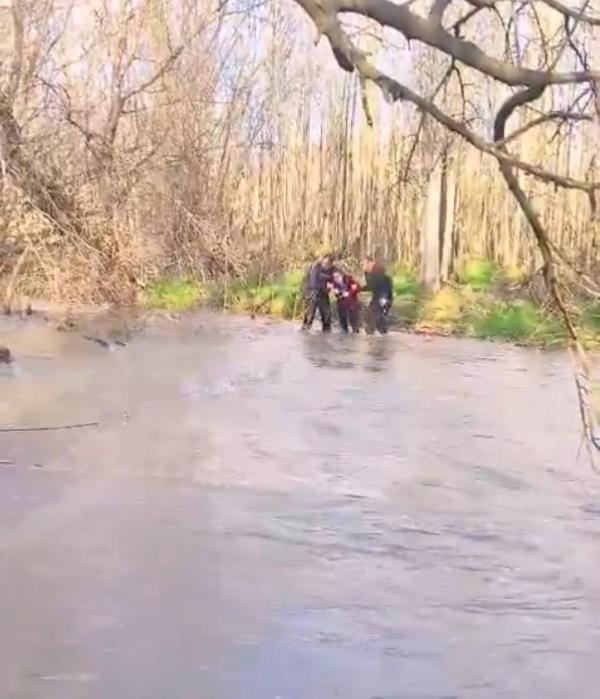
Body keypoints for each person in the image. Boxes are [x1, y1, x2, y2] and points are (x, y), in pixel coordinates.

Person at [301, 254, 335, 332]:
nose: (328, 266)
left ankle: (326, 331)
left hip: (323, 294)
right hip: (312, 293)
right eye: (326, 263)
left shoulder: (331, 269)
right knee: (309, 316)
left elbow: (334, 279)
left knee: (327, 316)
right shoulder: (315, 267)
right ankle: (305, 330)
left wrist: (332, 286)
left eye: (329, 264)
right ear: (323, 261)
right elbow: (314, 282)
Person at [362, 256, 393, 334]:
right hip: (377, 297)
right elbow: (372, 286)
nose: (363, 266)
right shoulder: (368, 273)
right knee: (377, 317)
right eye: (362, 264)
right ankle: (383, 334)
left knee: (370, 316)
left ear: (372, 263)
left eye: (365, 264)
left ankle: (370, 336)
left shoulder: (379, 272)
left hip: (384, 297)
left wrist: (384, 299)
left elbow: (386, 285)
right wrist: (359, 289)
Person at [329, 269, 361, 333]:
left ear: (342, 275)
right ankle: (344, 331)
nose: (336, 279)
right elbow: (330, 288)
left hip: (352, 302)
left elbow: (357, 287)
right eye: (334, 277)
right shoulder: (334, 282)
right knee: (343, 320)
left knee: (354, 321)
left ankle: (355, 331)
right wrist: (334, 290)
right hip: (341, 302)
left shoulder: (349, 279)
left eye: (337, 276)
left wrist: (349, 292)